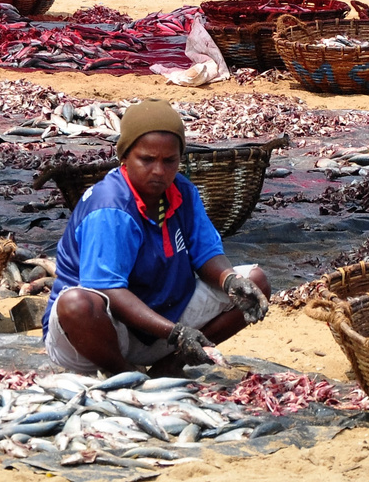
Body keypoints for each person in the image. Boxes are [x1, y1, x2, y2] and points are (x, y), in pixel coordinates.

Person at [43, 100, 271, 375]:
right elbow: (108, 290)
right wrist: (175, 333)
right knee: (76, 305)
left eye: (169, 161)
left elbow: (206, 254)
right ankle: (122, 373)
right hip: (97, 336)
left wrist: (230, 280)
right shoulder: (110, 207)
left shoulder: (183, 192)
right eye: (147, 160)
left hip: (164, 322)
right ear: (125, 156)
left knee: (254, 283)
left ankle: (170, 365)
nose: (159, 171)